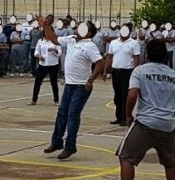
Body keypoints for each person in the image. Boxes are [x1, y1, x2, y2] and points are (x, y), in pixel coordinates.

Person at [109, 39, 175, 180]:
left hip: (146, 123)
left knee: (126, 157)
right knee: (170, 162)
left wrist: (127, 115)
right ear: (165, 56)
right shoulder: (172, 74)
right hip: (167, 125)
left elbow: (132, 94)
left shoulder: (140, 71)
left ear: (147, 55)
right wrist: (172, 113)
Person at [46, 22, 105, 160]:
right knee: (62, 113)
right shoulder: (71, 39)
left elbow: (99, 62)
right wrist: (46, 26)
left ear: (88, 33)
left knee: (72, 115)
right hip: (69, 84)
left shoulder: (89, 46)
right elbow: (54, 39)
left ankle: (70, 146)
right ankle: (56, 142)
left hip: (81, 86)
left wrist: (90, 80)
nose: (78, 29)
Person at [104, 24, 140, 125]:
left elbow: (136, 58)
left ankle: (125, 117)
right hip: (116, 71)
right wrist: (105, 70)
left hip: (128, 71)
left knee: (125, 95)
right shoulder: (114, 43)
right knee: (117, 95)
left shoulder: (134, 43)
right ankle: (119, 117)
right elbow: (109, 57)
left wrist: (135, 72)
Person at [32, 27, 62, 105]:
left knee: (54, 83)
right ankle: (34, 100)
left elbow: (59, 53)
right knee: (37, 82)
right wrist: (39, 55)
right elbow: (36, 51)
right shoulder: (40, 41)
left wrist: (54, 50)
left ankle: (56, 100)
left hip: (53, 64)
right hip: (42, 64)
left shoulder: (56, 41)